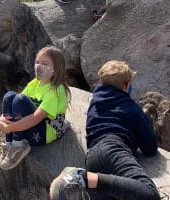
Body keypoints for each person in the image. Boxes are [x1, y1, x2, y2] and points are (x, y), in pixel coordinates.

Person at [49, 61, 160, 200]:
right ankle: (80, 177)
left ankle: (85, 184)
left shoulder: (95, 102)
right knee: (150, 194)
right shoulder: (131, 108)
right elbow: (150, 147)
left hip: (93, 157)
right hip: (115, 150)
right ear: (126, 85)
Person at [0, 46, 70, 171]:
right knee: (9, 96)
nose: (38, 66)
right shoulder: (35, 83)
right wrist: (1, 119)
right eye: (37, 62)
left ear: (56, 69)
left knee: (20, 99)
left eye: (44, 63)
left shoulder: (56, 90)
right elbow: (15, 103)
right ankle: (10, 145)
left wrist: (10, 127)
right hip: (30, 127)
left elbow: (36, 117)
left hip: (43, 133)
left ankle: (19, 146)